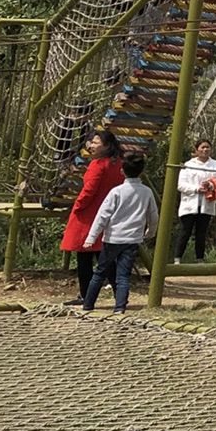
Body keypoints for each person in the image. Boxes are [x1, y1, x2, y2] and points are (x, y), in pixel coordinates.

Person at [81, 154, 158, 313]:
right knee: (123, 275)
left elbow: (103, 215)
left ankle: (88, 304)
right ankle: (119, 307)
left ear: (122, 171)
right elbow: (153, 215)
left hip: (113, 238)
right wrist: (150, 231)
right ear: (142, 171)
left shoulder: (116, 192)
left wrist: (91, 237)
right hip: (132, 239)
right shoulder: (147, 192)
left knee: (100, 272)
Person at [62, 131, 123, 300]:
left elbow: (89, 189)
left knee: (85, 256)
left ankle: (86, 295)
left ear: (106, 145)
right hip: (109, 212)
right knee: (105, 257)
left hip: (89, 214)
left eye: (96, 142)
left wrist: (78, 205)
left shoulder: (98, 164)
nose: (92, 145)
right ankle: (120, 293)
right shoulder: (117, 163)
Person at [173, 138, 216, 262]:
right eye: (202, 147)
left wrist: (210, 185)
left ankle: (199, 258)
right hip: (189, 203)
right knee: (185, 232)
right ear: (196, 150)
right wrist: (197, 189)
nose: (205, 149)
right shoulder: (188, 165)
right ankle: (177, 258)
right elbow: (180, 185)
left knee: (201, 233)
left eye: (207, 147)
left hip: (206, 204)